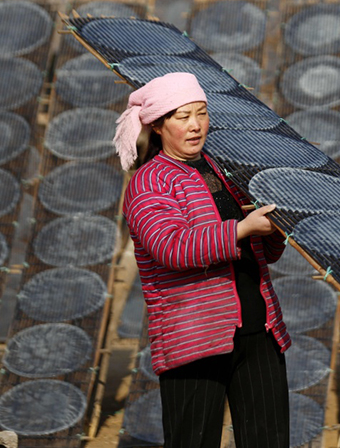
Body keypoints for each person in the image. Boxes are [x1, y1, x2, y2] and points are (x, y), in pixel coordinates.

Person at [115, 72, 290, 448]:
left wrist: (274, 229)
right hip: (194, 336)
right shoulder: (150, 183)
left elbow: (261, 251)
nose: (196, 125)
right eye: (183, 117)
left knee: (269, 440)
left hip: (258, 330)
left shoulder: (222, 171)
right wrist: (241, 230)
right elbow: (171, 247)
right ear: (159, 126)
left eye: (202, 113)